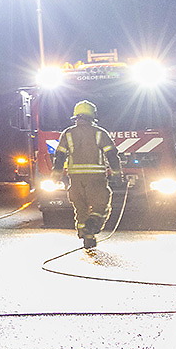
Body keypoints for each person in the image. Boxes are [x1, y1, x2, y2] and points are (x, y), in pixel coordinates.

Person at [52, 100, 122, 249]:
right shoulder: (100, 133)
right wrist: (116, 174)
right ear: (92, 116)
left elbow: (59, 156)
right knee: (100, 206)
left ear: (76, 116)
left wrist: (56, 175)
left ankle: (87, 237)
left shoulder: (68, 133)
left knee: (81, 208)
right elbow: (112, 154)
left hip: (75, 179)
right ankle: (92, 227)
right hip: (95, 178)